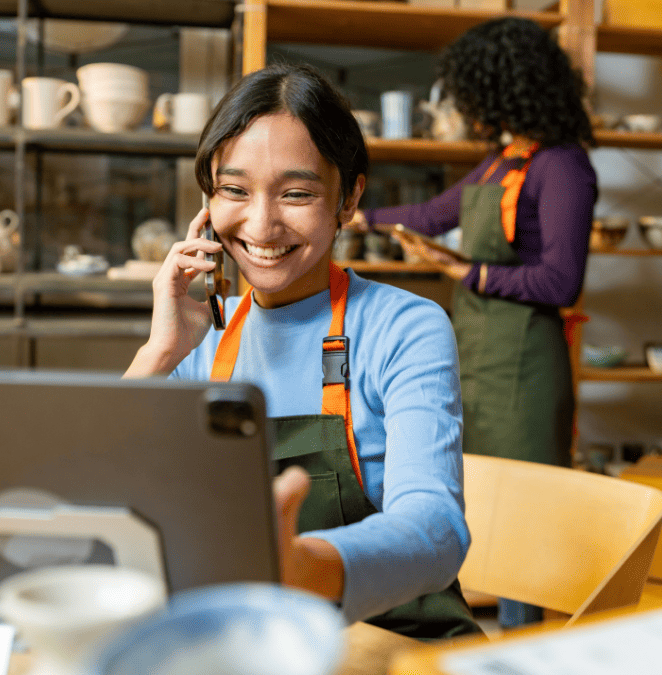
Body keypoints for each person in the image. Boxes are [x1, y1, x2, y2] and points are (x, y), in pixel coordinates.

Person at [123, 63, 482, 641]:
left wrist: (303, 569)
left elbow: (436, 529)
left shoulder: (404, 326)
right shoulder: (199, 338)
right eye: (233, 190)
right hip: (260, 642)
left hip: (398, 643)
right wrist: (157, 353)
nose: (262, 225)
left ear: (349, 197)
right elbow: (104, 495)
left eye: (296, 193)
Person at [352, 17, 598, 627]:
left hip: (526, 366)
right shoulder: (500, 162)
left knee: (525, 524)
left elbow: (561, 282)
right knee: (481, 503)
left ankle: (522, 645)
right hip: (480, 355)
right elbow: (434, 214)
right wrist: (358, 214)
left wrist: (467, 273)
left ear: (500, 87)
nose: (464, 107)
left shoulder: (562, 167)